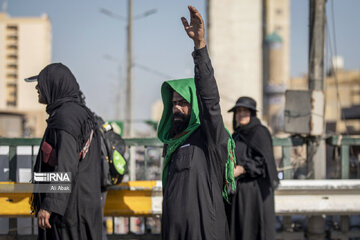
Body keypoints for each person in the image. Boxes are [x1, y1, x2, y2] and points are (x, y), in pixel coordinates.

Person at [157, 6, 236, 240]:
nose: (177, 108)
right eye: (174, 103)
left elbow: (210, 100)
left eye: (183, 102)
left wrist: (199, 48)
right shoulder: (173, 144)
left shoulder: (209, 137)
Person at [26, 63, 102, 239]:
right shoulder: (80, 113)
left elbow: (65, 165)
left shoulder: (65, 117)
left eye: (42, 83)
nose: (38, 88)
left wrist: (49, 205)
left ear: (55, 85)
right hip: (81, 206)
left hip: (70, 214)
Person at [226, 96, 279, 240]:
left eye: (245, 111)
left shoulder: (259, 132)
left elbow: (264, 162)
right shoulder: (235, 136)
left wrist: (243, 169)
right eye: (238, 111)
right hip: (239, 193)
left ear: (252, 113)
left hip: (256, 193)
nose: (241, 114)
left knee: (254, 231)